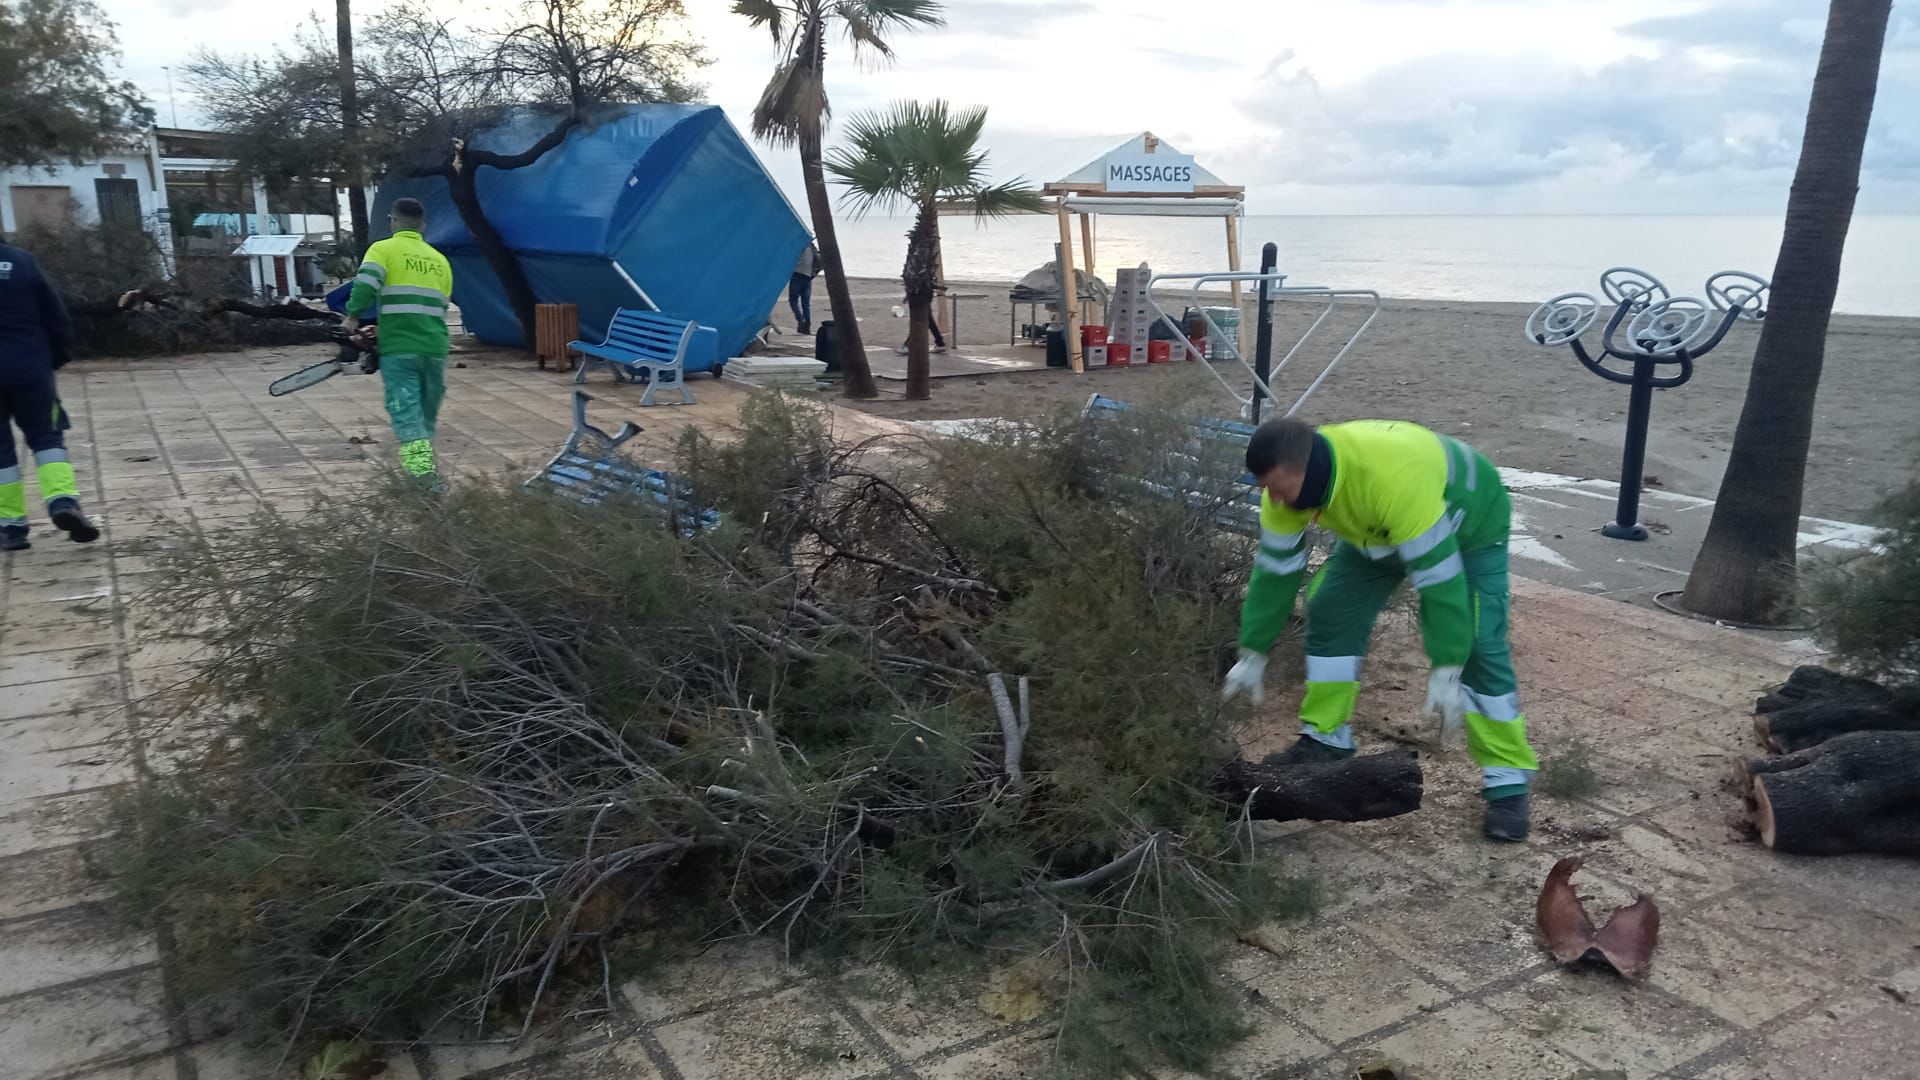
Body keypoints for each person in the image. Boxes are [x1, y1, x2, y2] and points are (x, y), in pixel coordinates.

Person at [1220, 416, 1539, 841]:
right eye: (1266, 489)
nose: (1272, 498)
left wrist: (1447, 663)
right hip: (1376, 533)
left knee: (1479, 644)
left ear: (1309, 471)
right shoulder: (1284, 494)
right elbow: (1275, 572)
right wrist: (1253, 650)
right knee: (1332, 610)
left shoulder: (1393, 479)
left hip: (1469, 526)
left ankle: (1508, 781)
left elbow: (1439, 582)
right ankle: (1327, 739)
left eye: (1279, 487)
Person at [343, 198, 453, 489]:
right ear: (423, 225)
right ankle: (423, 475)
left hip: (400, 351)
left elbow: (365, 286)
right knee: (425, 421)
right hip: (435, 349)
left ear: (393, 221)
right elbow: (432, 308)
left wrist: (353, 317)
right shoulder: (440, 261)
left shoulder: (383, 249)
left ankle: (426, 482)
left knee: (407, 419)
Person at [0, 236, 99, 551]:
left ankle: (11, 527)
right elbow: (56, 315)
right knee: (47, 437)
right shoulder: (22, 262)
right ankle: (62, 502)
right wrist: (54, 358)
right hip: (30, 367)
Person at [789, 244, 819, 335]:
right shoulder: (812, 247)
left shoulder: (800, 246)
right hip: (808, 277)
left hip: (797, 275)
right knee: (806, 304)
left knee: (793, 300)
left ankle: (801, 320)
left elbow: (791, 259)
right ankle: (807, 326)